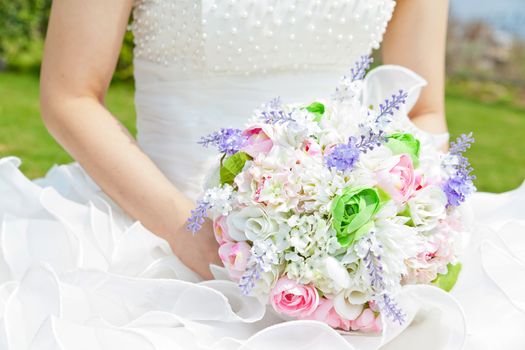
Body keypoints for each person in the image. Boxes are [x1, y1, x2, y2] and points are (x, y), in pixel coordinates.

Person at [0, 0, 523, 349]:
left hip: (360, 255)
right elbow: (69, 95)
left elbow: (424, 109)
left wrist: (402, 226)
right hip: (155, 226)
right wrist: (191, 235)